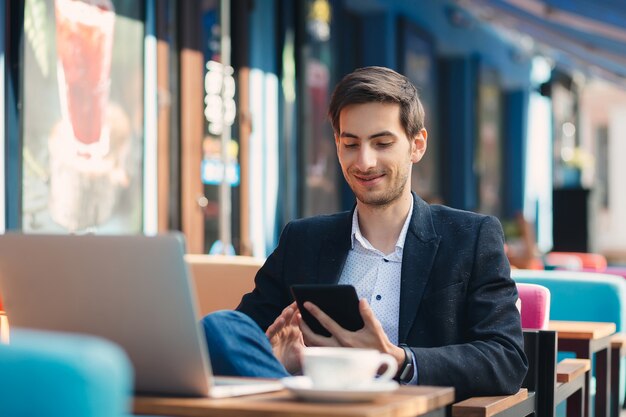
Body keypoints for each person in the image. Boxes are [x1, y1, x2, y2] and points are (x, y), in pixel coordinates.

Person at [202, 66, 527, 400]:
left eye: (382, 143)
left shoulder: (470, 238)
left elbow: (507, 359)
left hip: (404, 410)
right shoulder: (303, 239)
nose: (365, 162)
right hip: (310, 408)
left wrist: (397, 359)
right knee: (218, 328)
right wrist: (276, 362)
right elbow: (239, 339)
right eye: (351, 144)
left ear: (417, 145)